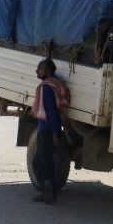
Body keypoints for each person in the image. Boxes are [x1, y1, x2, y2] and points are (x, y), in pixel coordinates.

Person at [31, 58, 69, 204]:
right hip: (50, 129)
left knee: (40, 162)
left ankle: (47, 190)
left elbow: (52, 112)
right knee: (46, 161)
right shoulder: (55, 83)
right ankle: (50, 190)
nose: (37, 71)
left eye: (39, 69)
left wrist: (54, 132)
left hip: (46, 129)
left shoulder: (46, 88)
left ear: (46, 72)